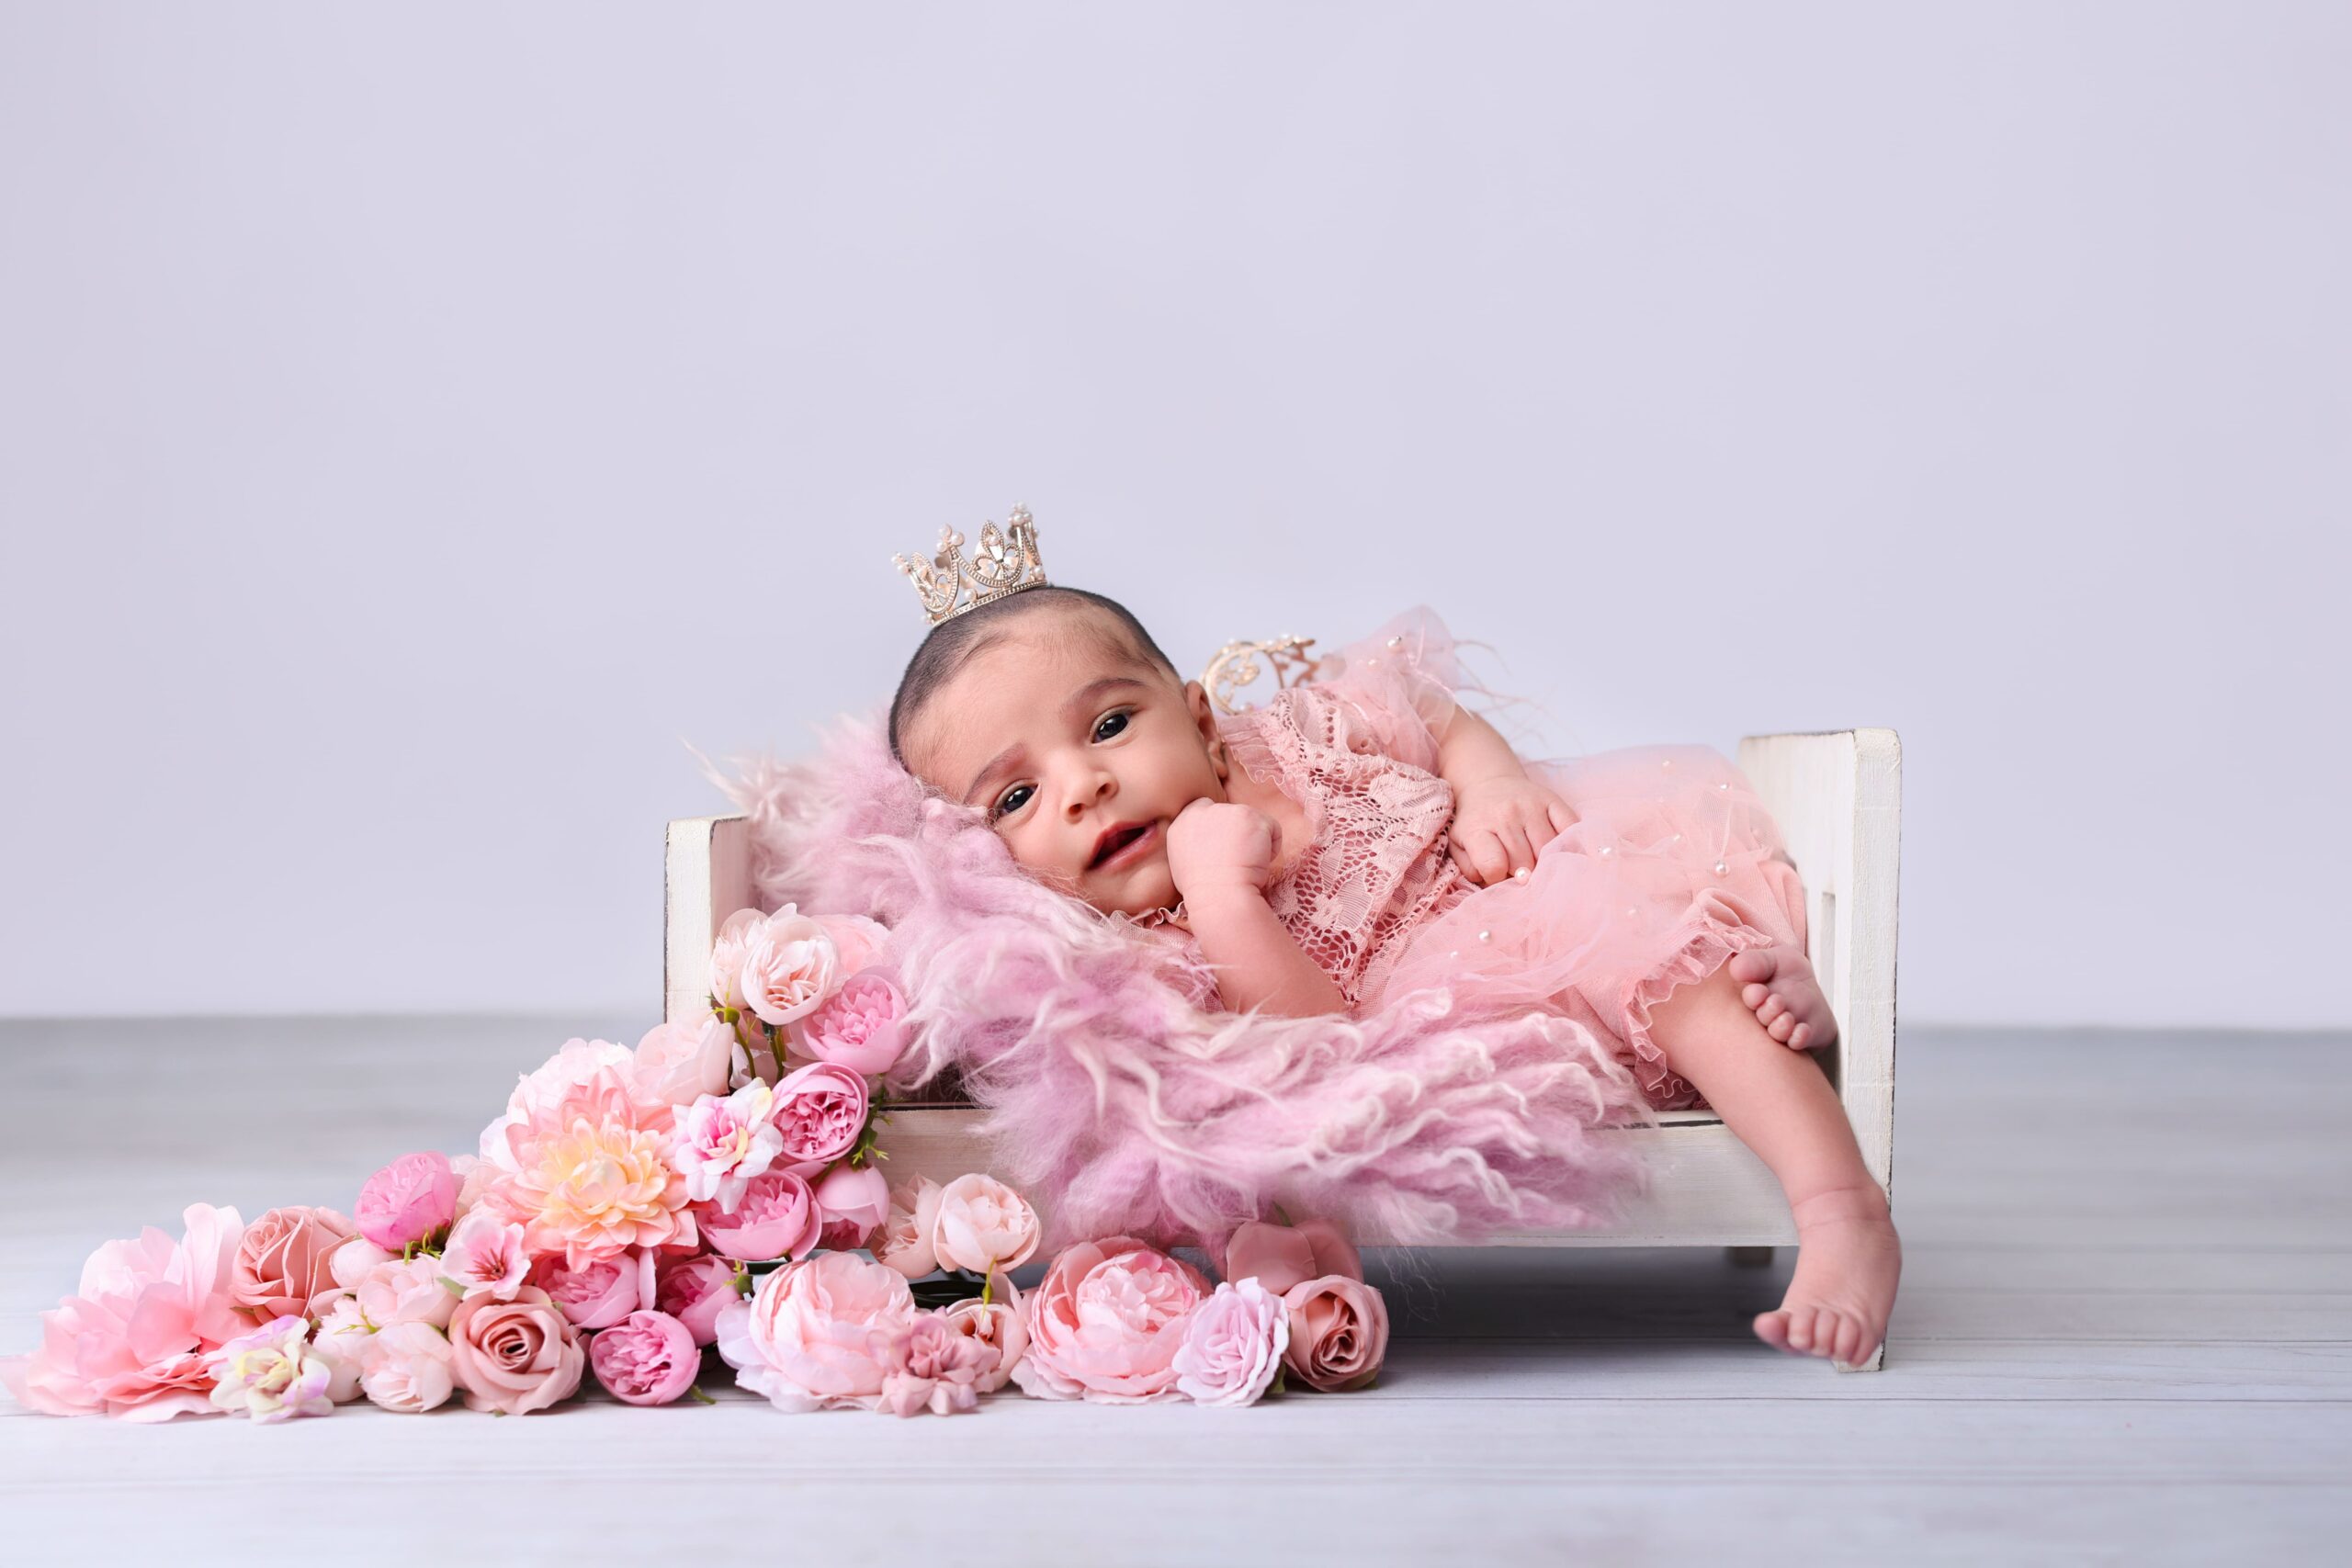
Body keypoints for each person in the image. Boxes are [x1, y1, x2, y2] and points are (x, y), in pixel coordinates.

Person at [887, 511, 1902, 1370]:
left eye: (1109, 725)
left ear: (1196, 715)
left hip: (1539, 895)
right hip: (1458, 1022)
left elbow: (1427, 710)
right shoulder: (1142, 951)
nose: (1084, 785)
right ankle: (1768, 1013)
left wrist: (1490, 781)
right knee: (1674, 981)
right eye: (1016, 797)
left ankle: (1840, 1206)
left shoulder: (1298, 734)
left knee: (1656, 955)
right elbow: (1314, 1044)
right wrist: (1223, 897)